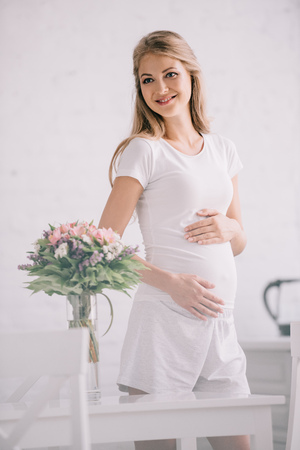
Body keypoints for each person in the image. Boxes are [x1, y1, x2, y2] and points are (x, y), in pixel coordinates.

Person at [99, 30, 250, 450]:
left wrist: (231, 229)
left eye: (169, 74)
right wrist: (173, 284)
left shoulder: (223, 151)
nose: (160, 88)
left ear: (191, 77)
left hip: (220, 322)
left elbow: (238, 240)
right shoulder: (143, 150)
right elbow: (102, 248)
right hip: (163, 323)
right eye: (147, 79)